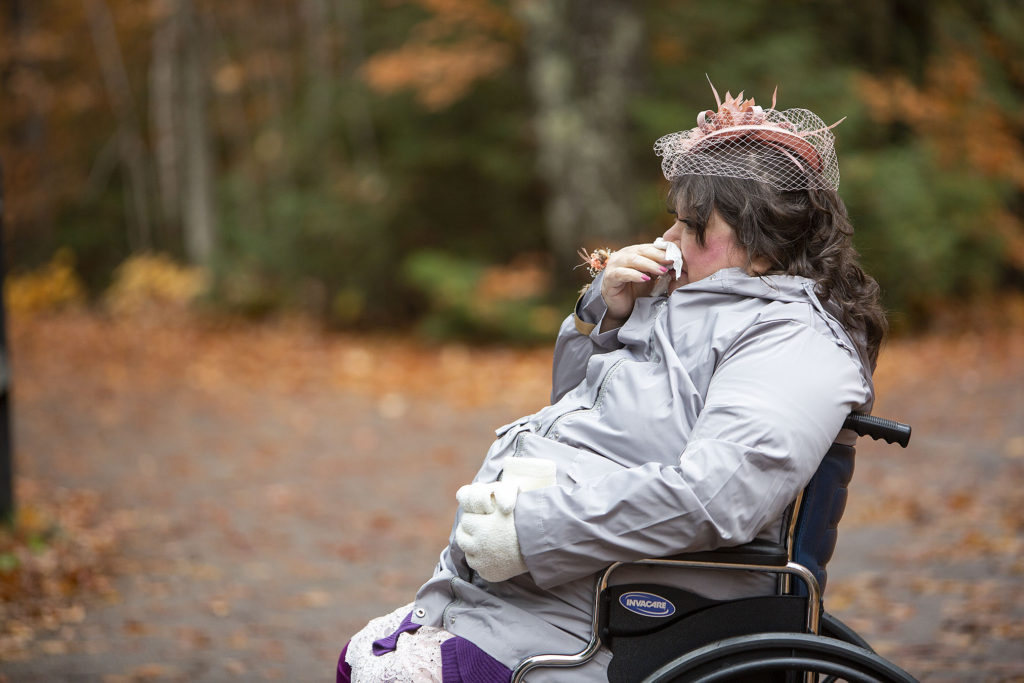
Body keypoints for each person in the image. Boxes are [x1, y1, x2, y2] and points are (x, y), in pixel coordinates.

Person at [337, 84, 887, 682]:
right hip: (543, 589)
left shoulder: (794, 344)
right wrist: (602, 314)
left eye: (692, 226)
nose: (668, 241)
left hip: (618, 607)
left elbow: (716, 497)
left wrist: (531, 529)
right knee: (365, 659)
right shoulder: (691, 305)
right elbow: (579, 415)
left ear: (764, 242)